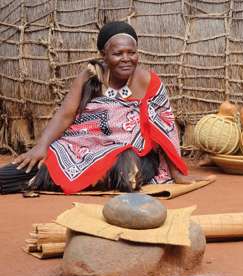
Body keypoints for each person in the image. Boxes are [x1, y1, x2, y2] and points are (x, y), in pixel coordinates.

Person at [0, 21, 210, 194]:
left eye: (132, 52)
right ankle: (77, 178)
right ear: (104, 55)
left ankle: (96, 178)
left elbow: (165, 129)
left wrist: (177, 175)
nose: (126, 59)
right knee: (22, 171)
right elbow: (65, 114)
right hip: (80, 146)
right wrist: (41, 146)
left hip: (129, 150)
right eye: (118, 53)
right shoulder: (90, 75)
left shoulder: (148, 82)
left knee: (127, 169)